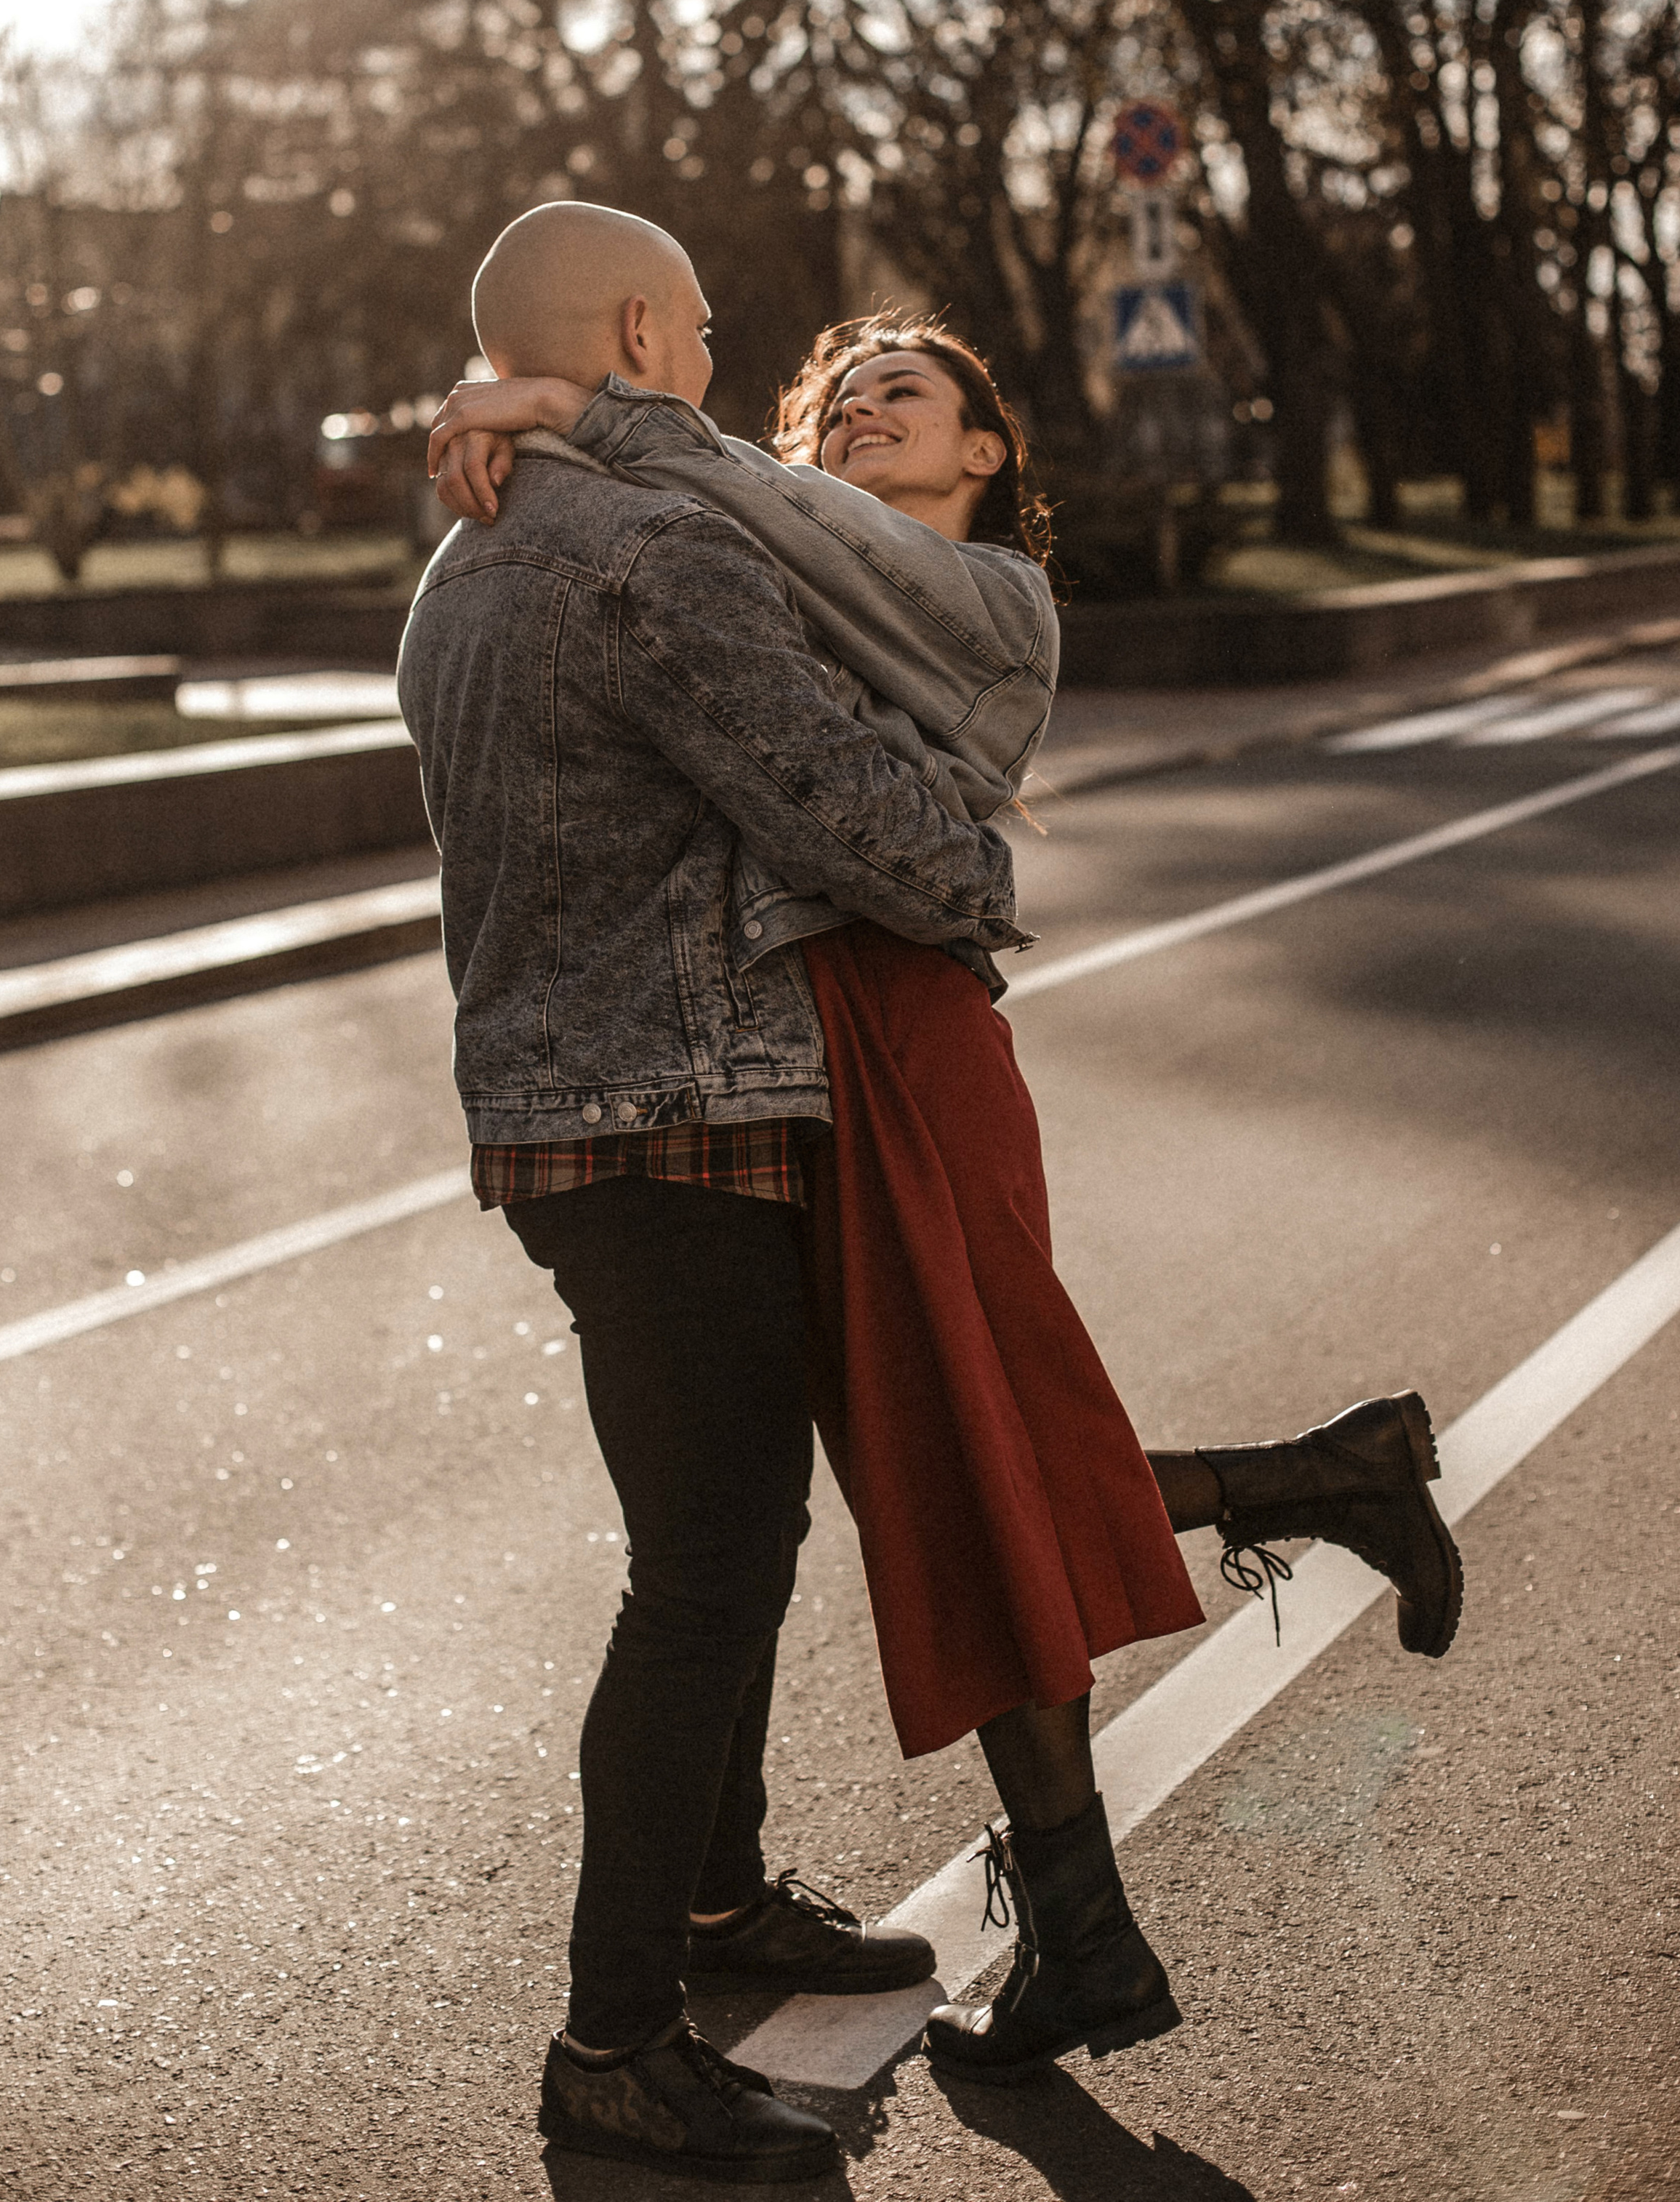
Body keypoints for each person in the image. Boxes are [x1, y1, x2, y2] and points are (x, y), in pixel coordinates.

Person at [427, 269, 1466, 2092]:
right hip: (794, 1045)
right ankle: (1302, 1521)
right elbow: (701, 513)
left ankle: (1096, 1902)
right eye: (836, 393)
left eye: (907, 391)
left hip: (904, 1017)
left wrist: (548, 398)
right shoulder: (763, 532)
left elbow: (724, 524)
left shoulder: (988, 598)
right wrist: (541, 401)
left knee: (962, 1448)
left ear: (992, 450)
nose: (855, 413)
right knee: (940, 1454)